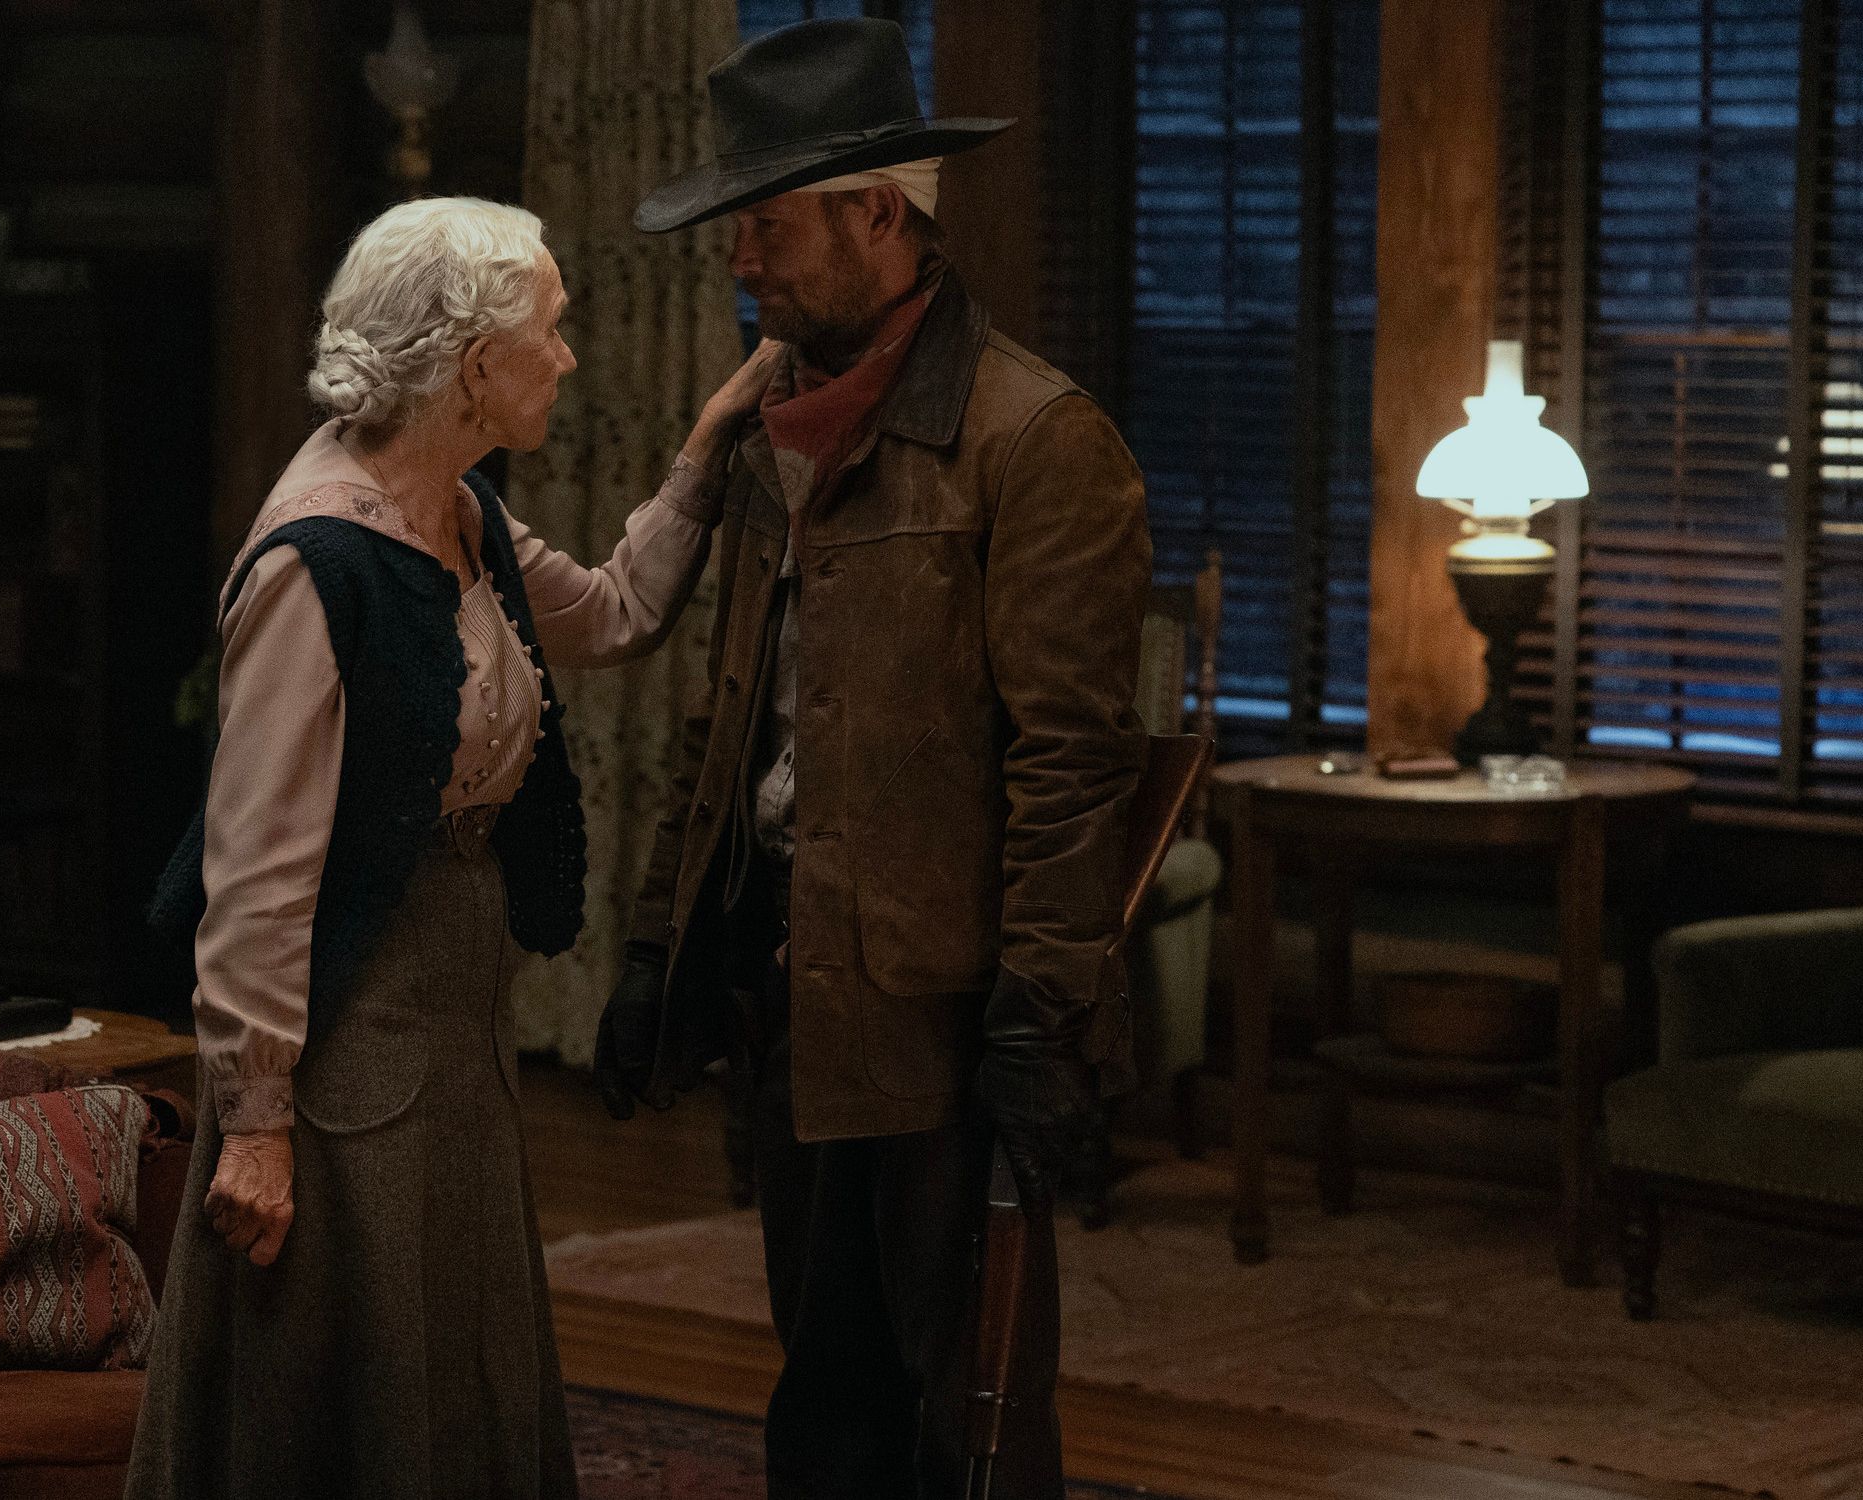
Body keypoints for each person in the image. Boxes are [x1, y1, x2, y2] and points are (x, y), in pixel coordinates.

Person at [131, 196, 781, 1500]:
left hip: (453, 1017)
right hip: (345, 1027)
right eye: (552, 328)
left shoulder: (462, 513)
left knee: (455, 1354)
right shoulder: (318, 561)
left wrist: (710, 443)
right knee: (352, 1386)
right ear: (477, 363)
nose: (570, 356)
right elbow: (256, 882)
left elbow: (611, 613)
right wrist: (256, 1128)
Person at [595, 19, 1154, 1499]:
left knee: (962, 1421)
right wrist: (660, 948)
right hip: (791, 988)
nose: (743, 267)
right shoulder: (775, 427)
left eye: (765, 229)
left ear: (878, 216)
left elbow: (1071, 769)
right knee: (824, 1396)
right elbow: (731, 722)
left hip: (946, 1013)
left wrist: (1041, 1020)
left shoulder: (1038, 442)